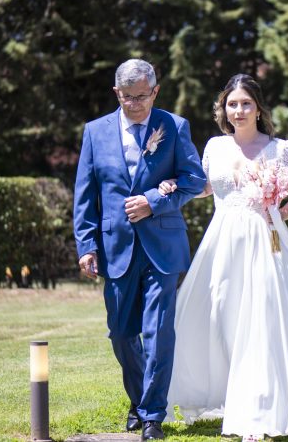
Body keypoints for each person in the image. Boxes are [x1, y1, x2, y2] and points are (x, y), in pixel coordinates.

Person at [161, 74, 288, 439]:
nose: (238, 110)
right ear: (223, 109)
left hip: (266, 242)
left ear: (258, 109)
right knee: (219, 316)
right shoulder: (215, 147)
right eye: (232, 104)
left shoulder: (280, 149)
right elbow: (205, 188)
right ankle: (221, 392)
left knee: (262, 319)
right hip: (222, 242)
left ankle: (258, 409)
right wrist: (174, 185)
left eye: (245, 104)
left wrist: (277, 212)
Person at [73, 59, 207, 441]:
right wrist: (86, 245)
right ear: (116, 93)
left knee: (158, 329)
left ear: (155, 91)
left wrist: (153, 200)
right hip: (115, 246)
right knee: (121, 333)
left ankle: (152, 416)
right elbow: (85, 195)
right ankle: (138, 400)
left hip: (162, 246)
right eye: (128, 97)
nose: (135, 104)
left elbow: (194, 179)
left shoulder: (174, 126)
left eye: (142, 97)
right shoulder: (95, 132)